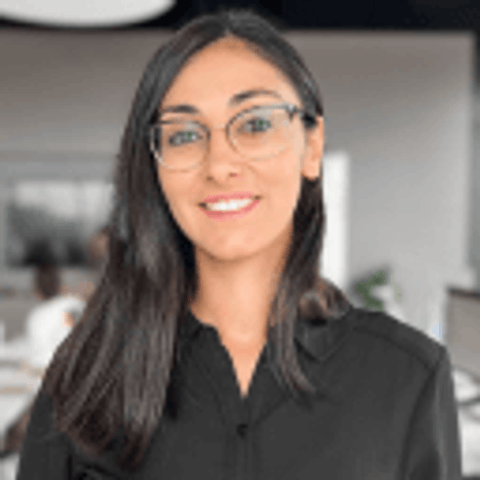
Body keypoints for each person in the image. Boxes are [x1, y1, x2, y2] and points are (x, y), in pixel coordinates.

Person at [16, 6, 462, 479]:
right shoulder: (85, 376)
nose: (219, 164)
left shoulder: (408, 376)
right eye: (184, 134)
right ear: (155, 166)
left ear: (312, 147)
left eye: (255, 124)